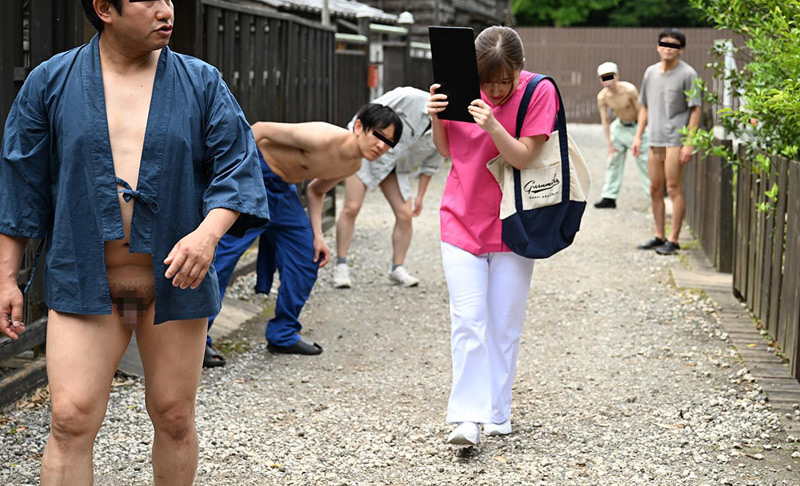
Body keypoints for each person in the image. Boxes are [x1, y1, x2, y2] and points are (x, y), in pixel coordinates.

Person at [0, 1, 270, 484]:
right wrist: (6, 277)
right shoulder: (51, 81)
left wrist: (208, 236)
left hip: (172, 279)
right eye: (150, 0)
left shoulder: (201, 82)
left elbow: (238, 166)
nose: (166, 10)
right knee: (70, 419)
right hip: (87, 278)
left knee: (173, 416)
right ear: (105, 8)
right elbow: (21, 181)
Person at [427, 26, 559, 447]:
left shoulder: (539, 91)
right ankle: (467, 418)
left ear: (519, 69)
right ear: (475, 71)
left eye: (507, 79)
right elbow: (448, 151)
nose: (498, 89)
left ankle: (498, 413)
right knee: (468, 321)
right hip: (461, 217)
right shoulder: (460, 86)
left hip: (514, 224)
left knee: (504, 325)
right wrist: (435, 116)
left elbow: (524, 156)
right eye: (490, 81)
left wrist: (492, 125)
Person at [203, 104, 402, 365]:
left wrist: (318, 236)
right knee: (223, 257)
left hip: (283, 192)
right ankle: (197, 341)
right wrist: (235, 177)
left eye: (390, 143)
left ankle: (283, 335)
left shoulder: (353, 165)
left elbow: (316, 191)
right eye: (379, 135)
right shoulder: (321, 135)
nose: (382, 146)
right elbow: (260, 130)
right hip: (256, 176)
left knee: (307, 257)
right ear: (358, 127)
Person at [332, 86, 444, 289]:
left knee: (405, 214)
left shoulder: (448, 127)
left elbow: (432, 164)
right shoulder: (410, 97)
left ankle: (397, 268)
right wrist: (352, 147)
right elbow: (369, 112)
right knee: (352, 207)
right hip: (368, 156)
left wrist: (420, 196)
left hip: (396, 168)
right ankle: (341, 265)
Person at [632, 28, 702, 255]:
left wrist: (689, 142)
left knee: (673, 187)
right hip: (657, 141)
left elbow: (696, 109)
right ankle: (659, 235)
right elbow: (645, 106)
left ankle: (674, 239)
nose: (668, 49)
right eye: (664, 44)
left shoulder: (687, 74)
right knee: (655, 188)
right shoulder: (650, 73)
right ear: (658, 46)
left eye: (673, 45)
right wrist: (638, 134)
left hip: (675, 141)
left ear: (681, 49)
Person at [593, 61, 650, 209]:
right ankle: (609, 197)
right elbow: (605, 121)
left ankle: (654, 195)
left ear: (617, 76)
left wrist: (639, 135)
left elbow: (642, 112)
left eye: (610, 76)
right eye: (604, 77)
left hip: (637, 127)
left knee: (645, 162)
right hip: (619, 127)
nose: (608, 81)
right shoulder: (603, 97)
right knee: (613, 161)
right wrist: (609, 144)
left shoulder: (629, 90)